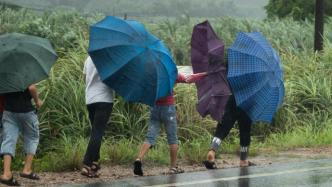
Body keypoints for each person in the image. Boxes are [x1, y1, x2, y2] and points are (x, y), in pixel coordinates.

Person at [133, 72, 207, 176]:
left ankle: (138, 158)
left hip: (154, 107)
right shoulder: (171, 71)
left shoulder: (152, 73)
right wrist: (205, 74)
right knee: (172, 138)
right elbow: (189, 79)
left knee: (150, 136)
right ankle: (173, 167)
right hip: (168, 108)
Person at [0, 84, 43, 186]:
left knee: (9, 139)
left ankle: (6, 173)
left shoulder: (4, 74)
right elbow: (32, 88)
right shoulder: (24, 70)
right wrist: (37, 102)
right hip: (26, 111)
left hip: (9, 111)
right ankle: (27, 169)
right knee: (32, 137)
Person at [81, 56, 114, 178]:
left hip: (90, 99)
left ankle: (95, 162)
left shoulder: (88, 59)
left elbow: (85, 78)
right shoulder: (108, 59)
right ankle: (87, 164)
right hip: (104, 99)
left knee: (96, 132)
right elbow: (113, 80)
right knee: (98, 132)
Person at [203, 94, 253, 169]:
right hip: (247, 100)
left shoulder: (237, 81)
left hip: (233, 97)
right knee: (245, 130)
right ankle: (243, 160)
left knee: (223, 127)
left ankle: (212, 151)